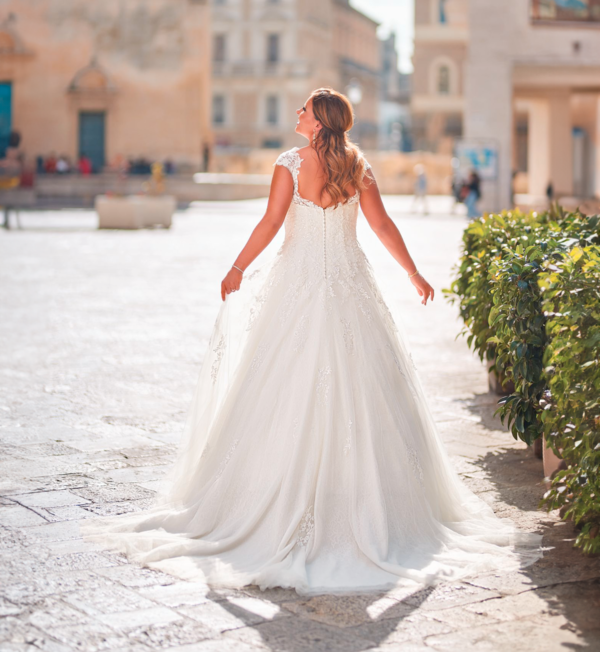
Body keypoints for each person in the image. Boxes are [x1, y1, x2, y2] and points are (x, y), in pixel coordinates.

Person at [82, 88, 541, 594]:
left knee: (279, 388)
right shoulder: (357, 165)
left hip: (297, 287)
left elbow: (272, 221)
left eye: (303, 109)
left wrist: (237, 267)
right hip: (350, 288)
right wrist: (412, 273)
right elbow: (382, 225)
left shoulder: (289, 164)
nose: (297, 114)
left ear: (318, 121)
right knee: (364, 390)